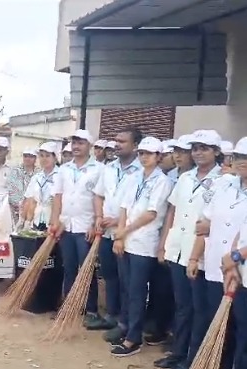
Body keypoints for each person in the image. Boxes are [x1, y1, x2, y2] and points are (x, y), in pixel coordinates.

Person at [156, 129, 223, 369]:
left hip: (200, 254)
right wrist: (164, 244)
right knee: (182, 306)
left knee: (198, 309)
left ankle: (193, 358)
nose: (198, 153)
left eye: (204, 148)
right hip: (178, 249)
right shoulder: (185, 178)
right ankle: (177, 353)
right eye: (195, 148)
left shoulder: (223, 181)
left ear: (216, 151)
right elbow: (172, 212)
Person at [110, 137, 172, 357]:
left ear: (158, 157)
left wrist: (124, 232)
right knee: (126, 289)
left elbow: (151, 214)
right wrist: (119, 237)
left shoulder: (162, 182)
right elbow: (124, 207)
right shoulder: (134, 177)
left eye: (149, 153)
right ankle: (126, 327)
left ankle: (133, 339)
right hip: (126, 241)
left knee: (137, 292)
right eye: (141, 153)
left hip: (144, 243)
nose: (144, 157)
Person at [189, 136, 246, 369]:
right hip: (217, 268)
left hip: (239, 270)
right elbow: (205, 224)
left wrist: (234, 258)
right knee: (218, 324)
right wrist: (194, 256)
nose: (243, 161)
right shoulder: (224, 184)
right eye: (240, 156)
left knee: (242, 330)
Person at [50, 129, 108, 329]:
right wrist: (54, 221)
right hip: (67, 225)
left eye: (81, 143)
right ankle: (69, 305)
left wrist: (95, 223)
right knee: (69, 268)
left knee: (87, 269)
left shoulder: (99, 169)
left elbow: (99, 198)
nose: (76, 147)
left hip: (86, 227)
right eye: (74, 143)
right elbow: (57, 196)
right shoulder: (64, 169)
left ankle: (91, 309)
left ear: (89, 146)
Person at [94, 128, 144, 340]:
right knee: (110, 276)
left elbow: (141, 208)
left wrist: (117, 222)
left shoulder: (142, 170)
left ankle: (126, 322)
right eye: (116, 139)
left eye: (122, 141)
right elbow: (98, 195)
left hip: (128, 235)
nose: (117, 144)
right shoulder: (109, 168)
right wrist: (99, 217)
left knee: (127, 281)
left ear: (135, 145)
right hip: (106, 232)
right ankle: (111, 315)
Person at [220, 171, 247, 369]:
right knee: (241, 331)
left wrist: (236, 257)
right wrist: (232, 262)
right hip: (243, 276)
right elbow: (243, 231)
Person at [20, 141, 59, 230]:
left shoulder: (61, 176)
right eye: (41, 156)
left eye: (47, 156)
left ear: (55, 158)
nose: (44, 159)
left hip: (54, 224)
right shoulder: (36, 177)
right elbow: (31, 200)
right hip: (37, 222)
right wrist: (26, 221)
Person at [6, 148, 38, 224]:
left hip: (33, 213)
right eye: (25, 156)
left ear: (35, 158)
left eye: (31, 156)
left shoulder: (39, 173)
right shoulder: (14, 171)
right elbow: (10, 190)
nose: (28, 159)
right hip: (14, 211)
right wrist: (19, 205)